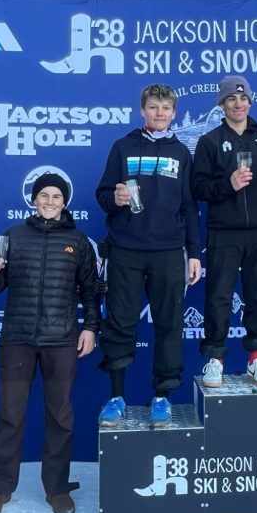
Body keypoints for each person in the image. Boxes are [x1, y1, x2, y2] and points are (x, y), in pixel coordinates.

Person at [0, 172, 100, 513]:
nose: (49, 201)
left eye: (56, 196)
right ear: (34, 200)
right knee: (10, 415)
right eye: (43, 195)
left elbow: (91, 290)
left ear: (64, 202)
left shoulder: (78, 241)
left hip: (62, 341)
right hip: (18, 339)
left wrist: (91, 327)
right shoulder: (13, 237)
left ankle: (57, 489)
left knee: (60, 416)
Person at [95, 83, 201, 428]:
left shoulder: (181, 152)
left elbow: (189, 206)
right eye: (153, 107)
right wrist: (115, 199)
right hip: (125, 249)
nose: (159, 113)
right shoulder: (122, 146)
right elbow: (102, 194)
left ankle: (162, 398)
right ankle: (116, 398)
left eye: (166, 108)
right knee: (120, 323)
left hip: (169, 251)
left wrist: (194, 253)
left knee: (169, 324)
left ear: (174, 113)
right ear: (142, 110)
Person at [191, 74, 257, 388]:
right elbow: (198, 187)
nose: (238, 104)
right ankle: (215, 360)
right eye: (231, 99)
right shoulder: (209, 141)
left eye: (243, 98)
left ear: (250, 101)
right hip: (224, 231)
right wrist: (228, 184)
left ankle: (256, 359)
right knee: (218, 295)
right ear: (222, 104)